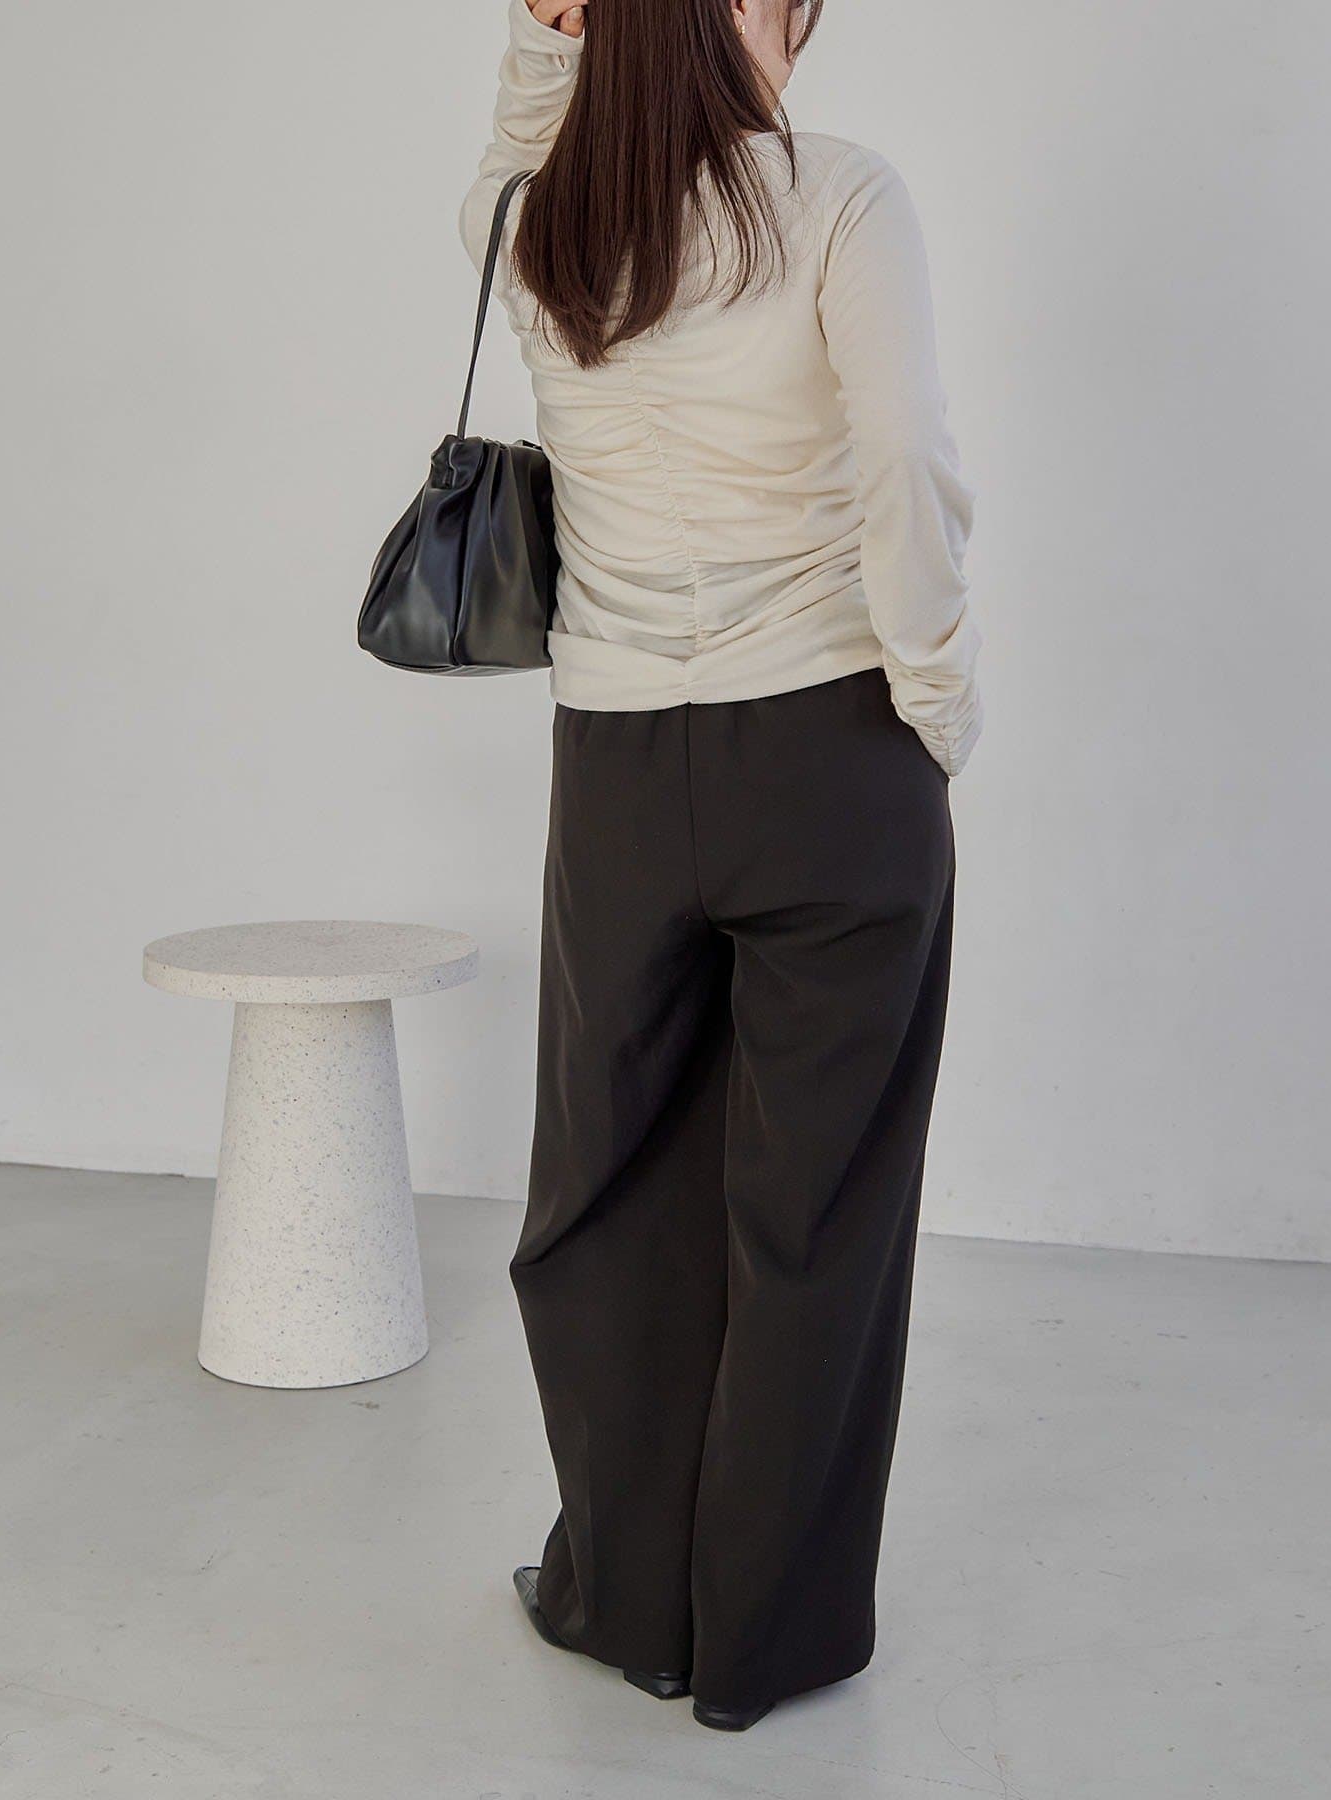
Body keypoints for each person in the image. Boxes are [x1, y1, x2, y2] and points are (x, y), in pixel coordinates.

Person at [459, 0, 983, 1732]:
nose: (797, 28)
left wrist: (545, 42)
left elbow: (510, 158)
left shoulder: (546, 227)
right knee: (814, 1213)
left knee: (613, 1195)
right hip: (831, 744)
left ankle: (628, 1601)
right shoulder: (841, 193)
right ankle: (769, 1638)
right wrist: (936, 703)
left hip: (619, 767)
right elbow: (905, 458)